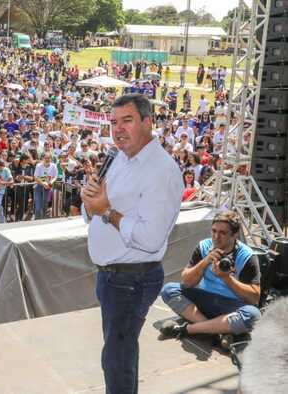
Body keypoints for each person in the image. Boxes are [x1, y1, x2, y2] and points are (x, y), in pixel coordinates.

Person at [80, 94, 183, 394]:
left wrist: (107, 211)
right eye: (113, 122)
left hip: (131, 280)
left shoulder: (161, 171)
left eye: (127, 120)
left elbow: (151, 239)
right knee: (115, 357)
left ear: (147, 122)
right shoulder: (119, 158)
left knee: (119, 361)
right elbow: (95, 213)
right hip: (112, 277)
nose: (118, 129)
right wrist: (91, 203)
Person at [159, 211, 261, 339]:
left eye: (222, 233)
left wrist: (227, 278)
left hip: (229, 305)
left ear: (235, 235)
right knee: (168, 289)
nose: (216, 237)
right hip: (204, 300)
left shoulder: (246, 256)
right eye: (213, 231)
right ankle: (215, 330)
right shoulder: (204, 247)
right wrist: (205, 261)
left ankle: (189, 329)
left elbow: (254, 298)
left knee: (253, 315)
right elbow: (186, 282)